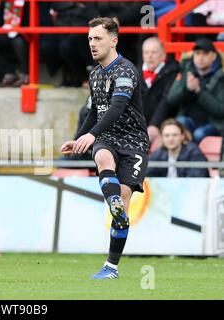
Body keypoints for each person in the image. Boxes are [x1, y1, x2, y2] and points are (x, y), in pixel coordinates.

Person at [60, 17, 149, 280]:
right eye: (89, 39)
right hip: (107, 136)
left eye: (97, 38)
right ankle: (112, 201)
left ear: (114, 40)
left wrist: (90, 133)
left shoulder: (125, 70)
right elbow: (94, 111)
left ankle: (111, 267)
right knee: (102, 155)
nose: (92, 44)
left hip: (134, 141)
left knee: (122, 206)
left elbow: (117, 108)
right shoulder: (95, 73)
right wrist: (80, 138)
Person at [166, 38, 224, 143]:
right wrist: (187, 89)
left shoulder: (221, 77)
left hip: (214, 124)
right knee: (179, 124)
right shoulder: (186, 72)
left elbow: (220, 110)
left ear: (214, 56)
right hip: (189, 120)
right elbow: (171, 99)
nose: (200, 58)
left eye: (205, 54)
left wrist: (199, 92)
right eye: (197, 53)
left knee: (199, 134)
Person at [140, 37, 179, 144]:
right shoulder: (134, 72)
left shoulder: (172, 71)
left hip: (163, 123)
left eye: (154, 52)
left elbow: (166, 101)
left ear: (163, 55)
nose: (150, 56)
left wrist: (154, 125)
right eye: (146, 52)